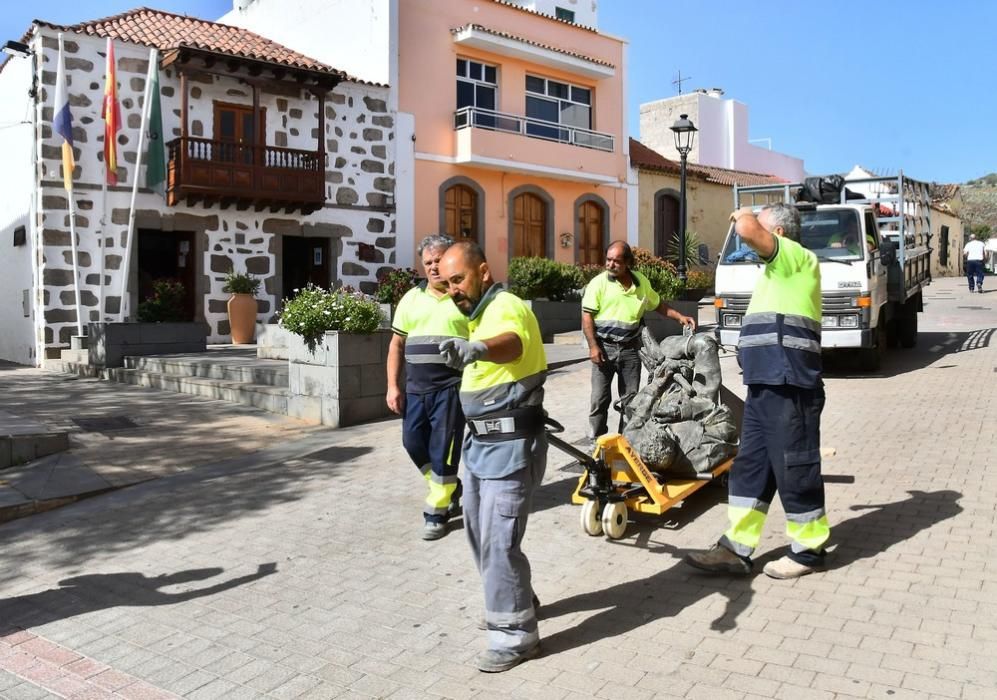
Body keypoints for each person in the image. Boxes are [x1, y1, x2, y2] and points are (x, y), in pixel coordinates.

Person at [685, 203, 830, 579]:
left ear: (778, 234)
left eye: (764, 231)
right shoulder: (774, 272)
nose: (750, 244)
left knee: (795, 466)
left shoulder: (797, 258)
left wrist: (742, 213)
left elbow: (748, 230)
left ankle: (808, 550)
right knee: (750, 468)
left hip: (790, 384)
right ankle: (736, 548)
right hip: (766, 385)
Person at [437, 241, 547, 673]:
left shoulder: (506, 306)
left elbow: (513, 344)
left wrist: (478, 350)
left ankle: (516, 638)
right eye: (446, 284)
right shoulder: (477, 315)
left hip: (511, 448)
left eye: (458, 280)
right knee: (480, 539)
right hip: (481, 449)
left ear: (483, 271)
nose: (453, 291)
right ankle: (518, 602)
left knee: (499, 542)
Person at [386, 234, 468, 540]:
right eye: (428, 262)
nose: (434, 267)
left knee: (443, 452)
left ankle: (437, 512)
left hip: (451, 389)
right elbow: (396, 345)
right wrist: (392, 386)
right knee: (412, 443)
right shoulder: (411, 298)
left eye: (439, 261)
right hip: (415, 389)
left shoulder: (463, 297)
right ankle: (449, 486)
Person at [582, 241, 696, 438]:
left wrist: (680, 317)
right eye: (608, 260)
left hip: (630, 351)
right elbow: (587, 316)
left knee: (631, 400)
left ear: (628, 263)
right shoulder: (598, 283)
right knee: (599, 399)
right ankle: (597, 441)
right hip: (603, 349)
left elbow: (658, 304)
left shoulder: (641, 283)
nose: (610, 265)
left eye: (616, 261)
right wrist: (593, 346)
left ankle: (626, 440)